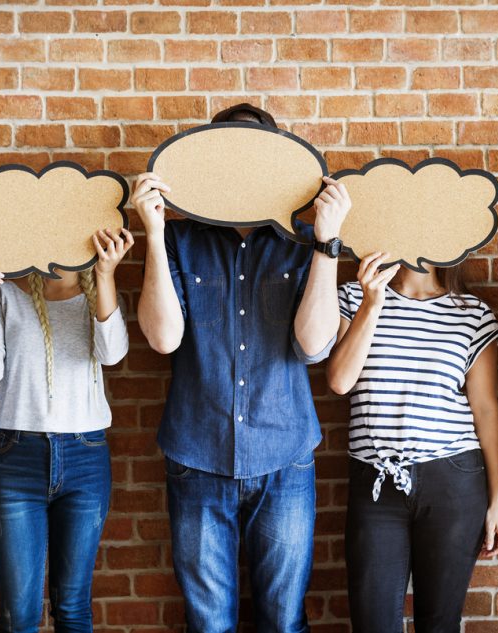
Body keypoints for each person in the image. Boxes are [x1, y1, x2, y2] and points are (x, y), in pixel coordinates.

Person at [132, 102, 348, 632]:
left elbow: (314, 346)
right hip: (196, 455)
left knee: (283, 621)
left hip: (285, 459)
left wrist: (326, 243)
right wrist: (155, 235)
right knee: (209, 625)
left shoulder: (303, 246)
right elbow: (162, 339)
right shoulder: (180, 241)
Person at [327, 253, 498, 633]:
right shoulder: (353, 296)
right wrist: (371, 302)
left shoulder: (472, 313)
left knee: (439, 624)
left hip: (454, 482)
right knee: (372, 623)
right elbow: (340, 381)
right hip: (375, 483)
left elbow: (486, 411)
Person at [0, 229, 132, 633]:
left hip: (85, 457)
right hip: (17, 456)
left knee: (73, 607)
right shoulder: (8, 293)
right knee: (18, 615)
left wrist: (107, 275)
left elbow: (112, 354)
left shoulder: (101, 295)